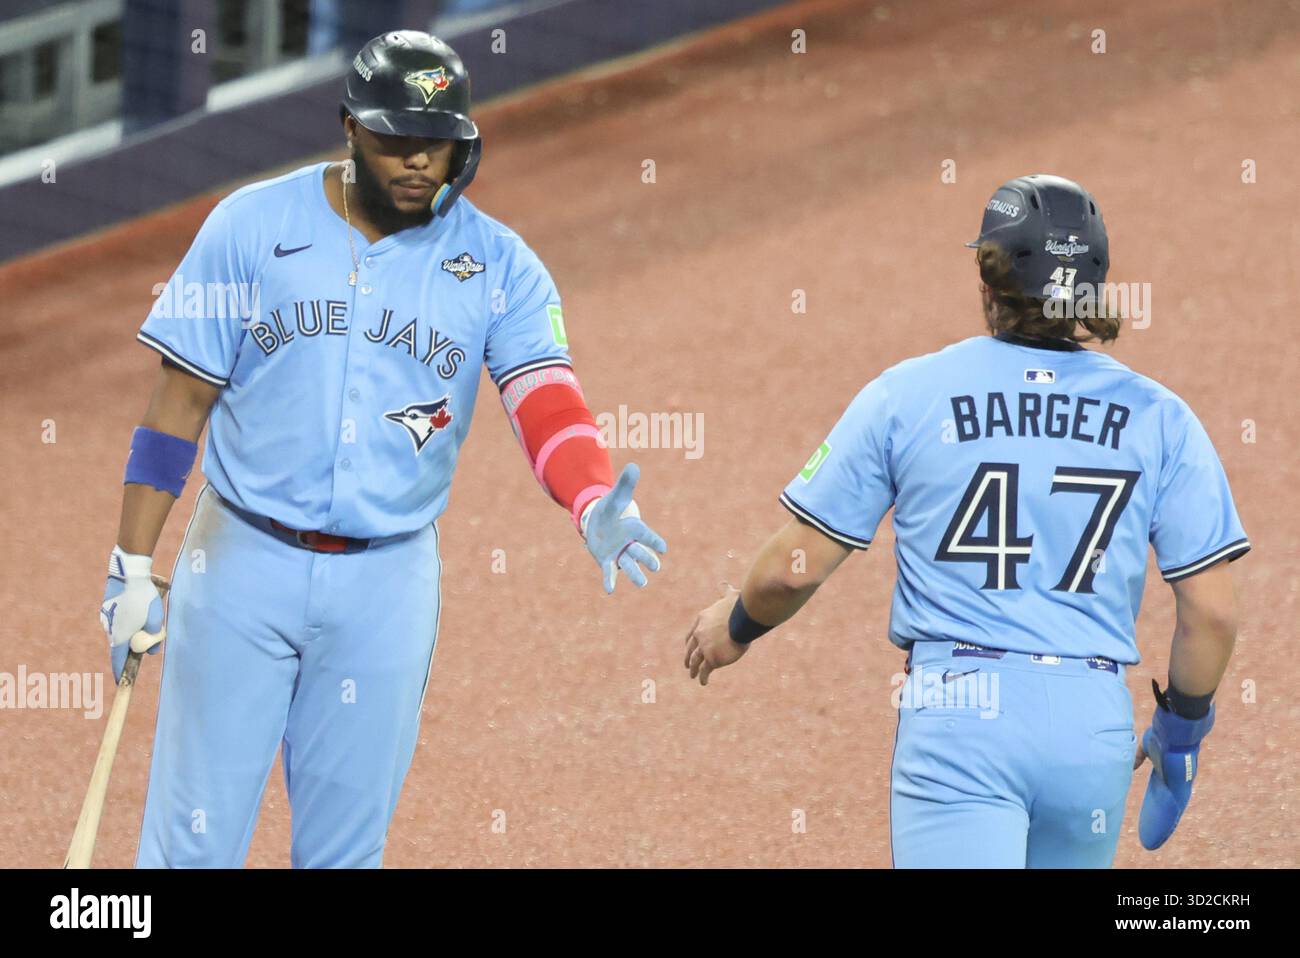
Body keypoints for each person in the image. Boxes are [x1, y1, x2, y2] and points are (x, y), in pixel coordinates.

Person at [99, 31, 666, 868]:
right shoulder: (250, 228)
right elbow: (177, 404)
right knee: (192, 851)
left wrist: (588, 497)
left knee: (343, 855)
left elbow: (545, 399)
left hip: (386, 585)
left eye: (435, 145)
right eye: (396, 140)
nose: (416, 163)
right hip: (241, 565)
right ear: (350, 129)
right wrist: (131, 565)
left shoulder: (500, 264)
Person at [682, 174, 1248, 867]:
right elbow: (1212, 614)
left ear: (988, 281)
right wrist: (1182, 731)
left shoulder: (907, 394)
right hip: (1091, 727)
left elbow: (789, 569)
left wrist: (736, 624)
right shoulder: (1163, 418)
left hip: (960, 717)